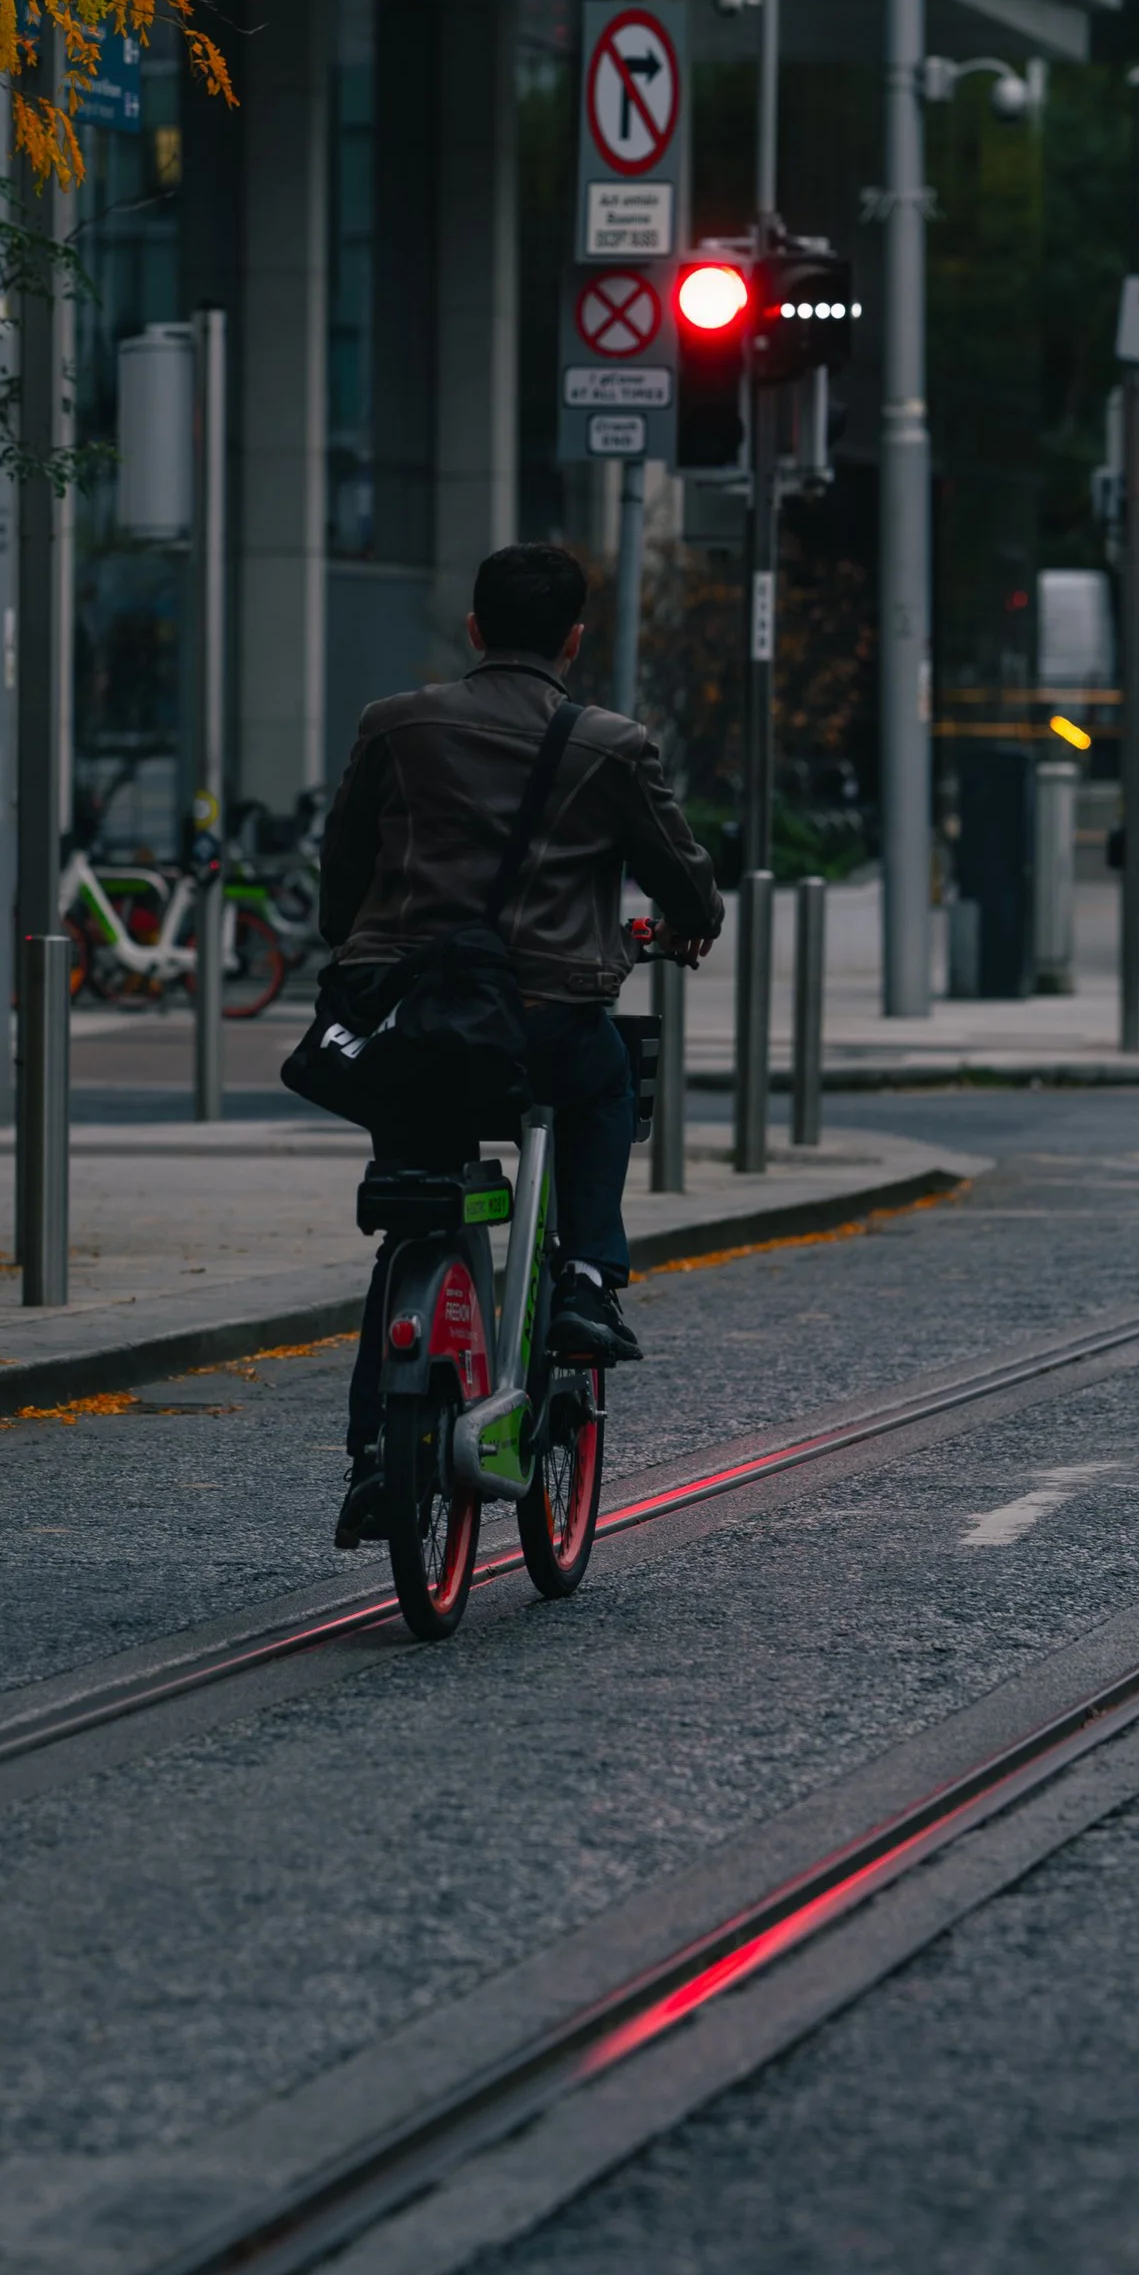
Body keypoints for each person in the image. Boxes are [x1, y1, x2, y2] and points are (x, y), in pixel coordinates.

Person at [318, 542, 722, 1545]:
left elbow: (342, 867)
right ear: (574, 640)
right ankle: (585, 1277)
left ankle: (376, 1453)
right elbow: (685, 884)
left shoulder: (394, 724)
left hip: (410, 1017)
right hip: (542, 1018)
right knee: (601, 1087)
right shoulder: (609, 743)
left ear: (472, 631)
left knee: (415, 1206)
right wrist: (686, 927)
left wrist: (364, 946)